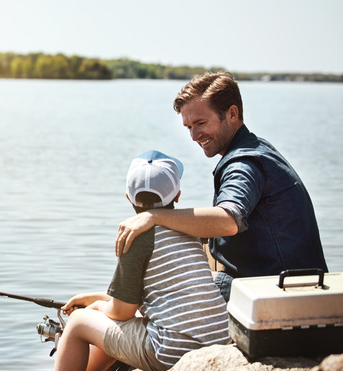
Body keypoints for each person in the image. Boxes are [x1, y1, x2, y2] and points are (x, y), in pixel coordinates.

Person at [16, 151, 230, 371]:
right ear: (177, 195)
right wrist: (97, 298)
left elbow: (121, 314)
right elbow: (151, 299)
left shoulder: (136, 235)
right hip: (214, 341)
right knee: (110, 327)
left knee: (81, 323)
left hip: (173, 351)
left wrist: (95, 307)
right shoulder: (190, 230)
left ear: (128, 198)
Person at [115, 72, 327, 300]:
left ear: (232, 114)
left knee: (163, 293)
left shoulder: (243, 163)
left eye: (201, 123)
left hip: (273, 290)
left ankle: (111, 303)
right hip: (283, 282)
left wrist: (154, 216)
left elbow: (228, 220)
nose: (195, 135)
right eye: (188, 127)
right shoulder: (256, 148)